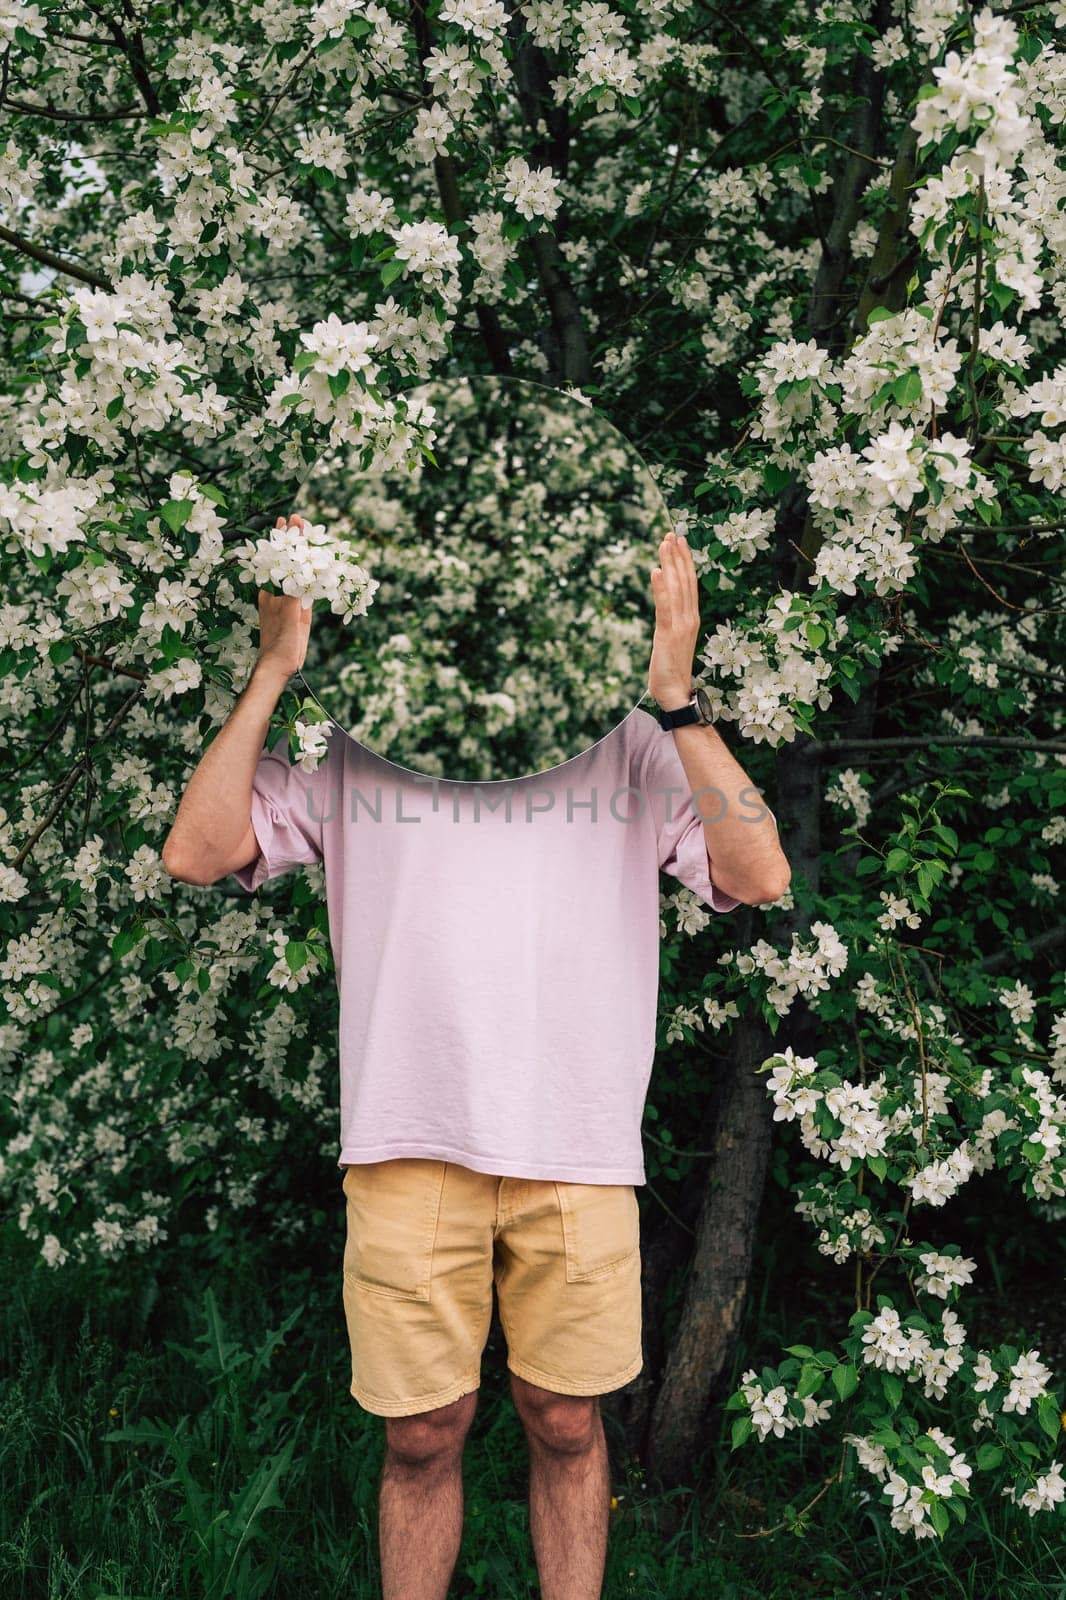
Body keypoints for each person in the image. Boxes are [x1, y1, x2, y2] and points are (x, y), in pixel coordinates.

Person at [162, 514, 790, 1600]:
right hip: (410, 1138)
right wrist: (273, 669)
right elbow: (198, 849)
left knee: (563, 1420)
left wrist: (678, 701)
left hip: (576, 1147)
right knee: (421, 1435)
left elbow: (762, 870)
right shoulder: (355, 749)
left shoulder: (628, 747)